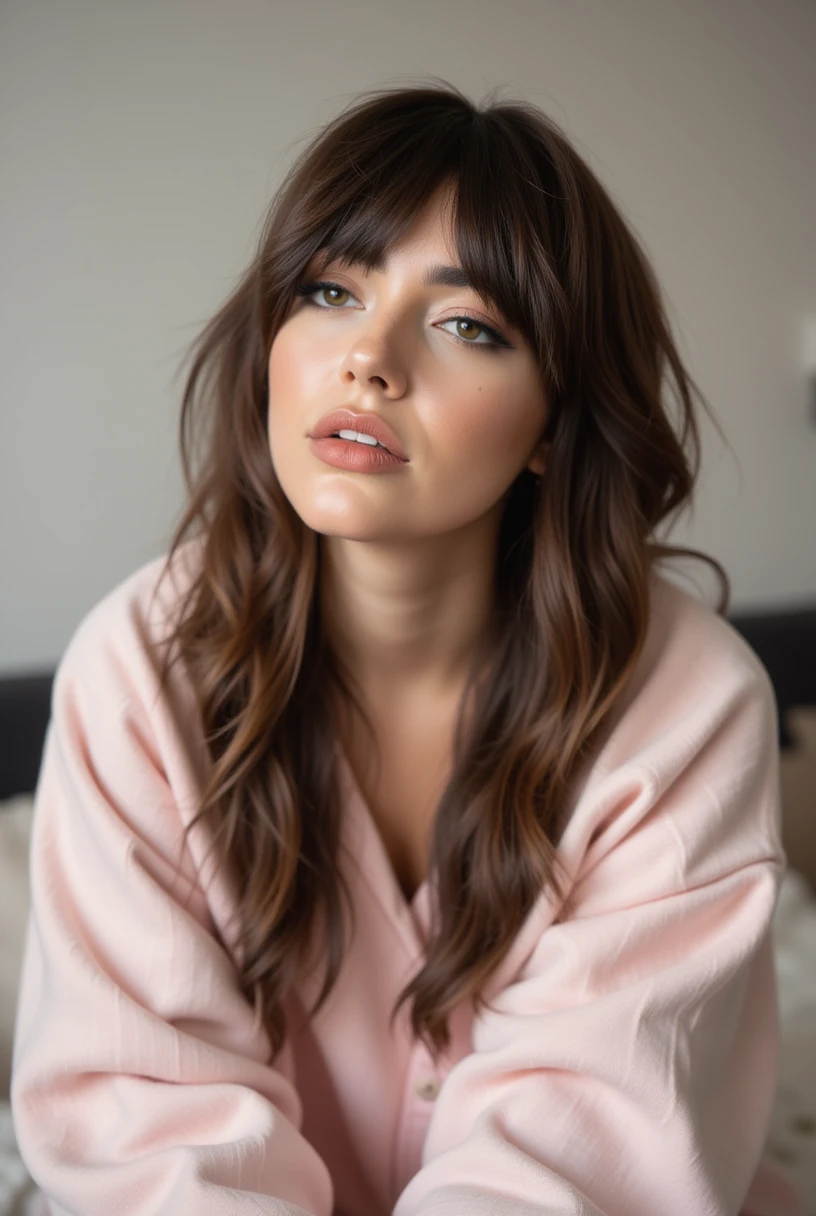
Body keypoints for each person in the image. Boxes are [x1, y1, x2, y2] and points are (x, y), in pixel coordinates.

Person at [10, 79, 806, 1216]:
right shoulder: (139, 670)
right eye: (330, 291)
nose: (369, 359)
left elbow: (591, 1146)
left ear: (553, 420)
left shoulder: (689, 703)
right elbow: (145, 1130)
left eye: (466, 323)